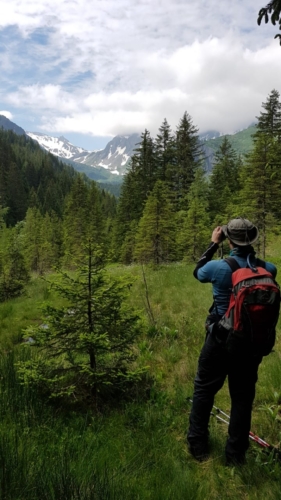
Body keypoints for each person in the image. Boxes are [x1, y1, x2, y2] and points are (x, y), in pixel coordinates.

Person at [187, 217, 277, 465]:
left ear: (229, 239)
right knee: (242, 398)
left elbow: (198, 271)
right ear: (253, 240)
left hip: (220, 340)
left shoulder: (219, 268)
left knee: (204, 389)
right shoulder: (268, 269)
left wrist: (213, 244)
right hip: (250, 345)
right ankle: (235, 456)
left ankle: (198, 446)